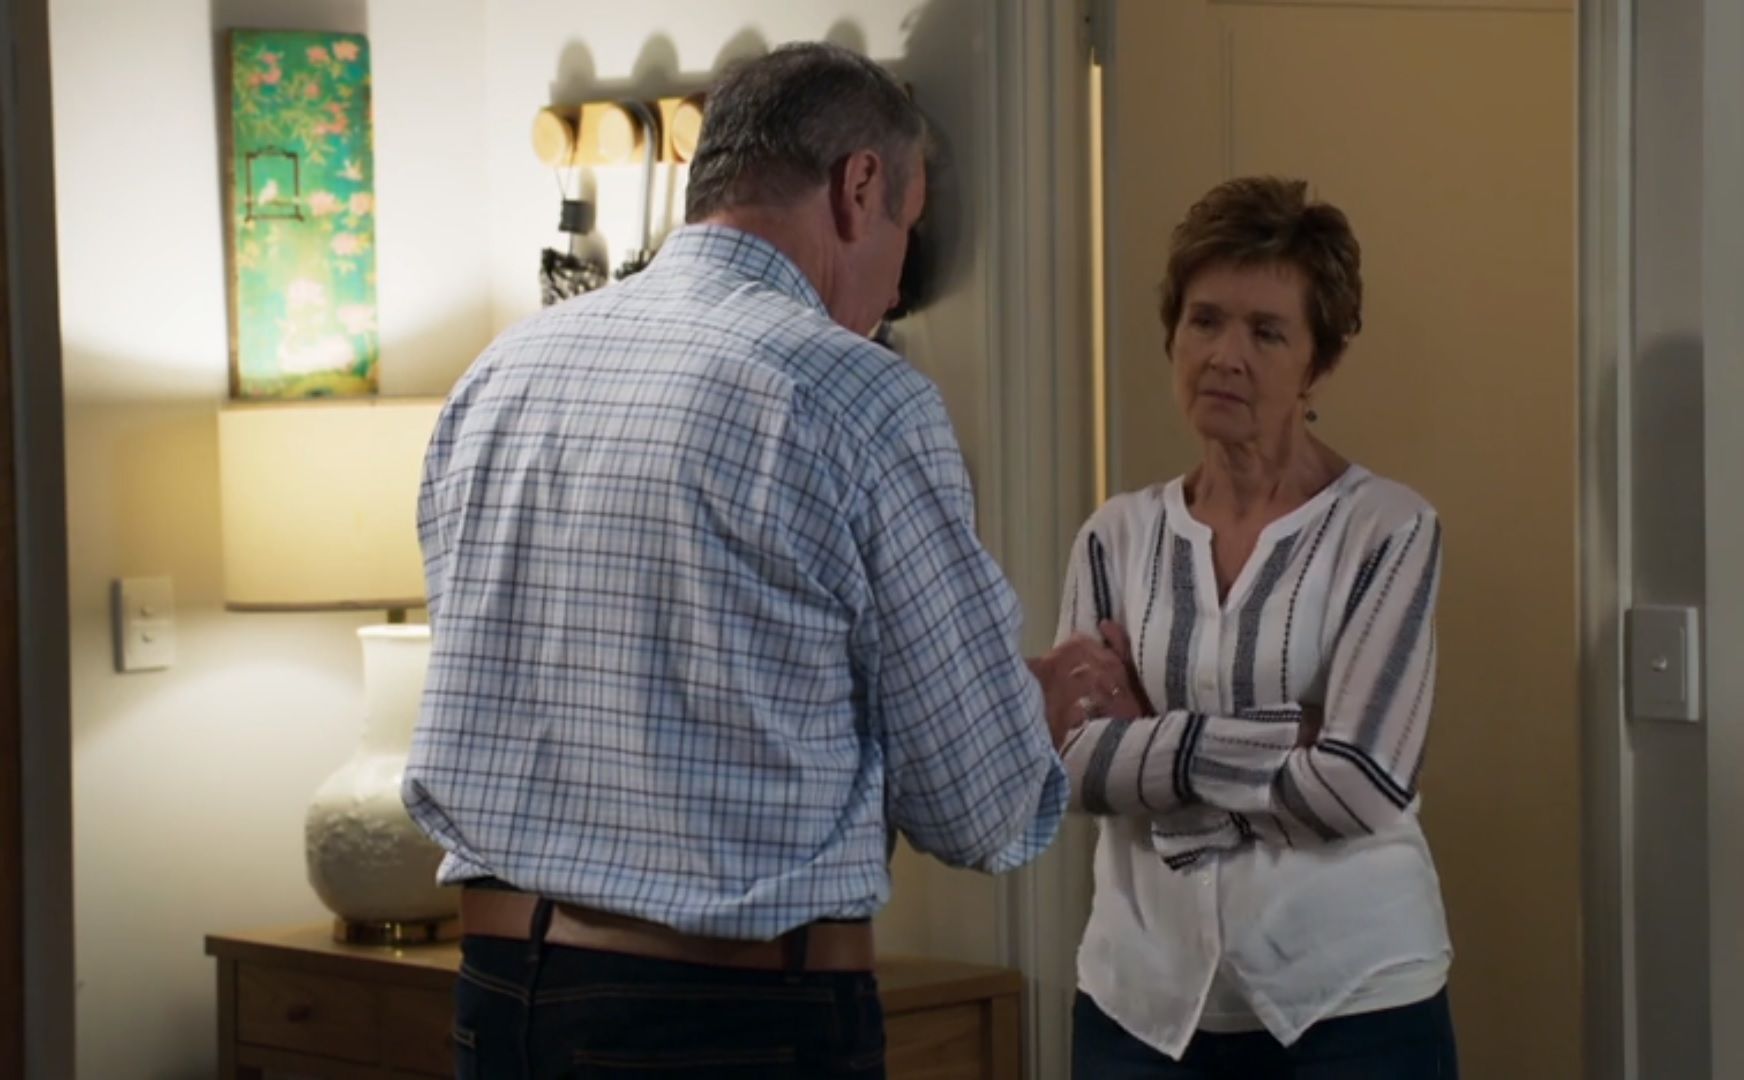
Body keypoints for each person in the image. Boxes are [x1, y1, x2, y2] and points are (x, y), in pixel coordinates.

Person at [402, 42, 1128, 1079]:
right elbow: (978, 810)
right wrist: (1034, 709)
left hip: (502, 1001)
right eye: (907, 229)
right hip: (728, 1020)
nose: (894, 282)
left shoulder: (503, 373)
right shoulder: (856, 396)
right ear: (859, 187)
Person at [1058, 177, 1459, 1078]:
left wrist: (1152, 745)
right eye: (1204, 320)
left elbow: (1363, 784)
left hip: (1352, 997)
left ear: (1319, 365)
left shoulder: (1387, 529)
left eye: (1267, 332)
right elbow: (1074, 763)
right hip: (1141, 1003)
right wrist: (1290, 739)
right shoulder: (1116, 537)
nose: (1225, 356)